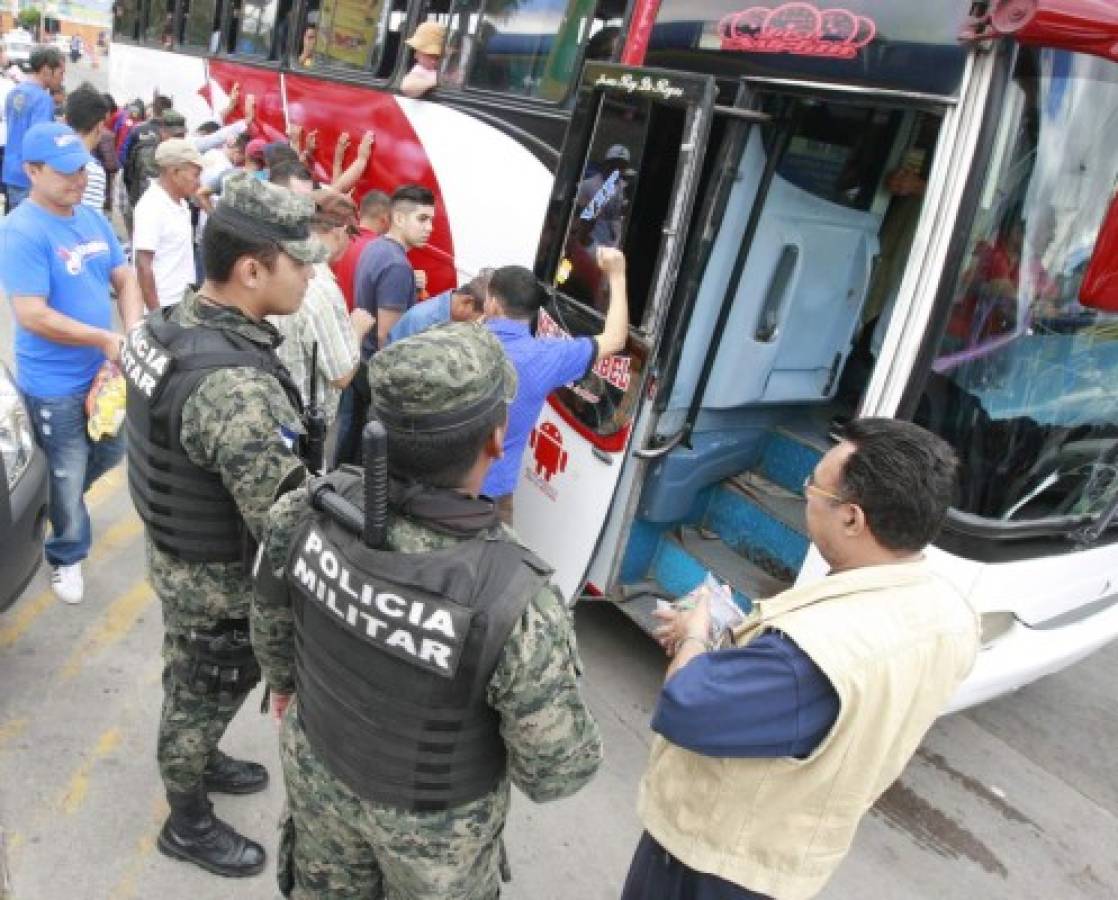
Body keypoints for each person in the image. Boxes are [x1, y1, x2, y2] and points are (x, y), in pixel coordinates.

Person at [253, 323, 603, 899]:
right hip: (436, 836)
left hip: (317, 771)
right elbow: (556, 770)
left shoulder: (308, 507)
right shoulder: (516, 596)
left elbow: (269, 623)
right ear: (497, 440)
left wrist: (290, 690)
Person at [623, 418, 980, 900]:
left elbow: (684, 705)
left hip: (712, 865)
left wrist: (695, 637)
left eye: (814, 486)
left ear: (852, 518)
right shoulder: (951, 612)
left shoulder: (809, 655)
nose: (806, 492)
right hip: (792, 859)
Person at [121, 172, 327, 877]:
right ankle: (187, 821)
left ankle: (201, 756)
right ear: (250, 270)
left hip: (180, 557)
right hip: (216, 583)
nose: (308, 278)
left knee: (192, 679)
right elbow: (284, 516)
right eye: (299, 265)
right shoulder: (234, 387)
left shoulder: (174, 321)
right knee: (199, 691)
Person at [0, 122, 143, 604]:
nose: (78, 180)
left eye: (81, 168)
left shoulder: (89, 217)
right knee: (66, 468)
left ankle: (58, 507)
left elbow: (124, 277)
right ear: (31, 171)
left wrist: (132, 329)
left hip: (104, 375)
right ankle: (65, 554)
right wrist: (104, 336)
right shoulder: (21, 230)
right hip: (54, 383)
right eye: (65, 173)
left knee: (108, 451)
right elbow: (32, 314)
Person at [482, 250, 629, 523]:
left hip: (442, 488)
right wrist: (617, 275)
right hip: (492, 498)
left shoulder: (460, 338)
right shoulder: (546, 356)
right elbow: (616, 339)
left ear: (492, 303)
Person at [334, 184, 435, 464]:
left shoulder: (377, 247)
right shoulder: (397, 265)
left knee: (348, 439)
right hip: (373, 371)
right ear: (399, 219)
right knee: (361, 455)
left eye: (432, 220)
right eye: (422, 219)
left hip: (360, 362)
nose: (430, 228)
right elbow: (387, 338)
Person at [267, 189, 374, 432]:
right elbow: (341, 375)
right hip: (302, 426)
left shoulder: (280, 262)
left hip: (273, 407)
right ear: (340, 231)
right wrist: (356, 329)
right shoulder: (321, 287)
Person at [133, 138, 204, 309]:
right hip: (164, 308)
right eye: (195, 175)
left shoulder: (182, 204)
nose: (199, 182)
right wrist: (156, 316)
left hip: (182, 305)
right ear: (174, 172)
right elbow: (143, 266)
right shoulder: (152, 206)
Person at [3, 46, 65, 208]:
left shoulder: (15, 92)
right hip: (29, 177)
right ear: (46, 70)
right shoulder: (43, 100)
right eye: (60, 73)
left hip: (10, 171)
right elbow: (39, 141)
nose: (62, 79)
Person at [387, 270, 489, 344]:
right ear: (467, 302)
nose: (479, 324)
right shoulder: (421, 320)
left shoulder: (449, 317)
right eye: (480, 319)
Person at [331, 188, 389, 311]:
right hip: (361, 323)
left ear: (359, 213)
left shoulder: (337, 239)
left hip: (334, 315)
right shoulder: (382, 251)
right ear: (385, 219)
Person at [63, 82, 110, 212]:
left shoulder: (50, 161)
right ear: (100, 126)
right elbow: (90, 223)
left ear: (65, 120)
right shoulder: (92, 171)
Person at [400, 22, 446, 98]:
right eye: (430, 55)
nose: (433, 61)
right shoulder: (419, 70)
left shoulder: (439, 69)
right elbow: (407, 87)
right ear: (417, 54)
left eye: (438, 57)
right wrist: (435, 81)